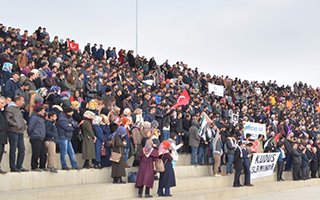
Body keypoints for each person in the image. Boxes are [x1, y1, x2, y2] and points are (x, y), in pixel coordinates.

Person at [5, 96, 28, 172]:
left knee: (22, 149)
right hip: (13, 131)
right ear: (17, 101)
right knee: (13, 149)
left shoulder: (18, 109)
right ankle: (13, 166)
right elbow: (7, 119)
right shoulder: (10, 108)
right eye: (22, 100)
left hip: (20, 131)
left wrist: (23, 125)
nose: (23, 102)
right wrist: (16, 125)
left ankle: (19, 165)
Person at [27, 105, 47, 171]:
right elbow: (30, 127)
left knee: (43, 153)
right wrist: (32, 134)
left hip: (41, 138)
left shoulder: (41, 118)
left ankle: (42, 166)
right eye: (43, 110)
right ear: (39, 111)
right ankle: (34, 166)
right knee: (36, 153)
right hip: (35, 138)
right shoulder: (34, 118)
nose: (44, 112)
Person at [0, 96, 8, 174]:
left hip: (2, 136)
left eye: (2, 103)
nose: (1, 104)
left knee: (1, 152)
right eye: (0, 103)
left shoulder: (3, 112)